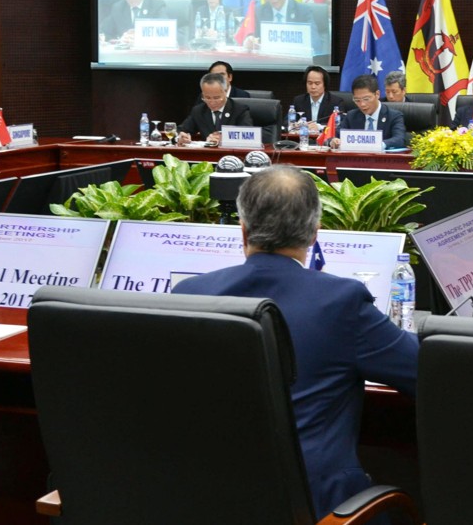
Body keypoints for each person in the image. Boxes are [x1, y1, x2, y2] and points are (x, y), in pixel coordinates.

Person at [172, 166, 418, 520]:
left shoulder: (189, 294)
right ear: (314, 234)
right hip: (318, 508)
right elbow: (423, 371)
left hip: (206, 498)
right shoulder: (340, 300)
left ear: (242, 231)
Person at [329, 74, 406, 150]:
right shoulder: (351, 116)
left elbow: (399, 139)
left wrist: (377, 145)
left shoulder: (394, 116)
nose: (362, 104)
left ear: (377, 94)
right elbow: (331, 136)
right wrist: (333, 141)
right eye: (357, 100)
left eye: (366, 99)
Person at [177, 72, 253, 146]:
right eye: (207, 98)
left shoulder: (239, 110)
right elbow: (180, 130)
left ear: (225, 91)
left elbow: (249, 135)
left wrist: (225, 138)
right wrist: (180, 137)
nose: (212, 102)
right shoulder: (198, 111)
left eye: (216, 98)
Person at [293, 65, 347, 132]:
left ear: (325, 85)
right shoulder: (299, 101)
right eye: (310, 83)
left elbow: (341, 125)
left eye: (317, 83)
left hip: (325, 139)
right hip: (303, 138)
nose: (313, 87)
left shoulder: (336, 102)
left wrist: (319, 127)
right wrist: (295, 125)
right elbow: (287, 122)